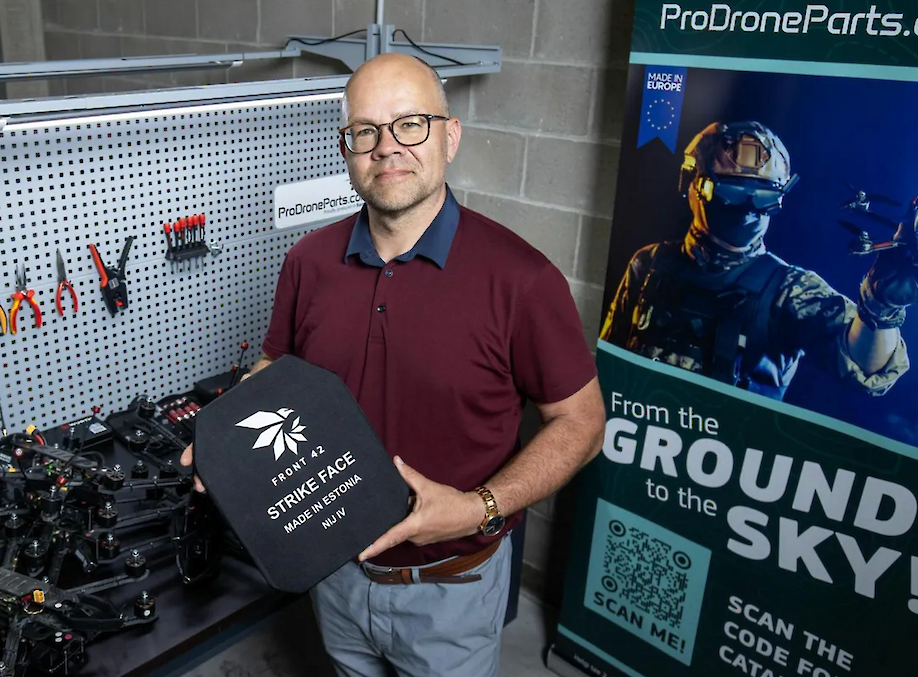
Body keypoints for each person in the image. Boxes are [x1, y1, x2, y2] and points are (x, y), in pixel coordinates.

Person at [180, 53, 606, 676]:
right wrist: (229, 443)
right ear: (346, 149)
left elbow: (582, 423)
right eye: (366, 130)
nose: (387, 147)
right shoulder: (308, 262)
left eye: (410, 123)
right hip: (333, 573)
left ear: (450, 137)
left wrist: (478, 507)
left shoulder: (523, 280)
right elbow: (276, 365)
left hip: (453, 590)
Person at [600, 121, 918, 400]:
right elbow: (607, 362)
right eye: (732, 191)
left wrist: (881, 305)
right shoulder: (650, 263)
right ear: (694, 185)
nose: (747, 209)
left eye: (763, 197)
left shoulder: (789, 289)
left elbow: (866, 366)